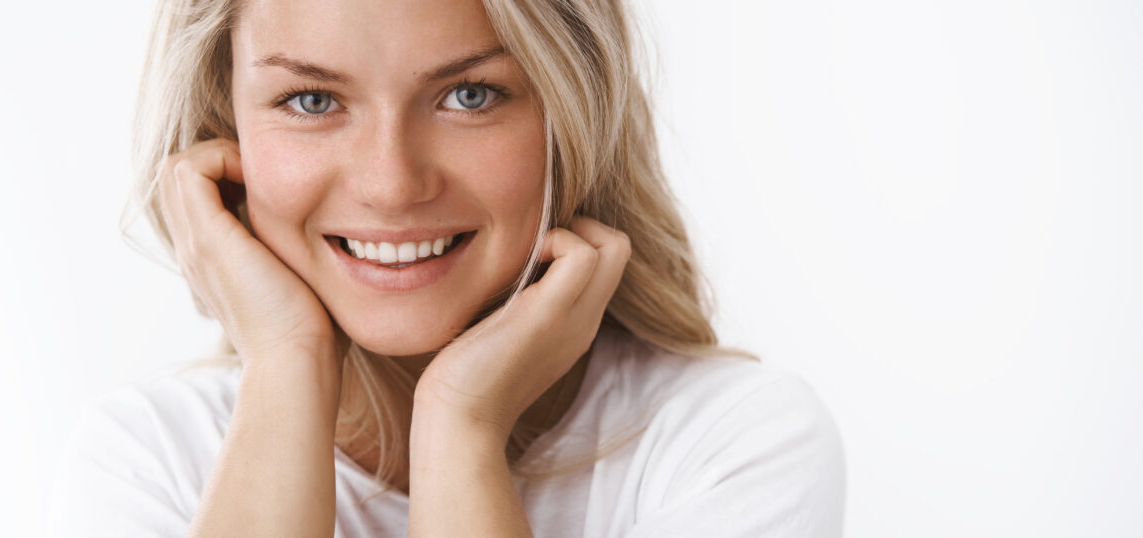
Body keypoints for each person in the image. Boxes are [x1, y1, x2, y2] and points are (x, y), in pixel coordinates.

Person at [49, 0, 846, 536]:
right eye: (313, 101)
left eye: (468, 95)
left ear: (573, 113)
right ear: (224, 128)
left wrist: (461, 428)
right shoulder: (146, 458)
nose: (392, 185)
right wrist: (285, 366)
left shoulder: (729, 444)